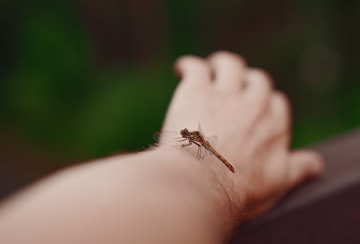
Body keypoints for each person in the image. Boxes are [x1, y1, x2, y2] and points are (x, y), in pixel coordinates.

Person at [0, 51, 324, 243]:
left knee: (210, 153)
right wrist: (205, 172)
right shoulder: (193, 138)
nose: (184, 134)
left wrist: (208, 169)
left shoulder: (197, 139)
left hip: (216, 153)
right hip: (212, 155)